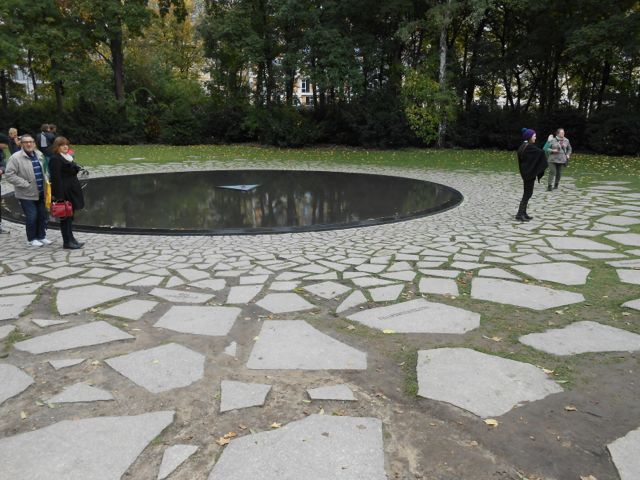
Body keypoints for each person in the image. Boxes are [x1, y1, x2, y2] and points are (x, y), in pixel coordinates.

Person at [4, 134, 51, 246]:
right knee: (32, 216)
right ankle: (31, 239)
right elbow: (9, 175)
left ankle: (41, 236)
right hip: (26, 193)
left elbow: (45, 170)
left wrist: (48, 182)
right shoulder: (15, 157)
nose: (29, 144)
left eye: (31, 142)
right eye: (26, 142)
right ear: (21, 144)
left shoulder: (39, 154)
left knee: (42, 215)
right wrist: (25, 184)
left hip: (41, 191)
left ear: (34, 143)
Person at [49, 136, 84, 249]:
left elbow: (70, 172)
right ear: (57, 147)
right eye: (62, 145)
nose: (65, 146)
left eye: (66, 144)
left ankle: (72, 239)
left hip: (72, 190)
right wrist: (59, 197)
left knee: (71, 216)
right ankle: (67, 242)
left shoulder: (68, 157)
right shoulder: (55, 159)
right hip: (64, 192)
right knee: (65, 217)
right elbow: (56, 178)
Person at [516, 128, 547, 222]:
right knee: (527, 194)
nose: (535, 138)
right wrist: (548, 143)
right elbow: (541, 152)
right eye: (534, 136)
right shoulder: (528, 147)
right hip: (529, 174)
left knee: (527, 193)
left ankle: (523, 213)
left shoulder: (524, 146)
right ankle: (519, 214)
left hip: (526, 173)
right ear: (529, 137)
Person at [0, 132, 8, 234]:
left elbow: (3, 163)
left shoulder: (1, 151)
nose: (6, 146)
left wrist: (2, 168)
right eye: (5, 144)